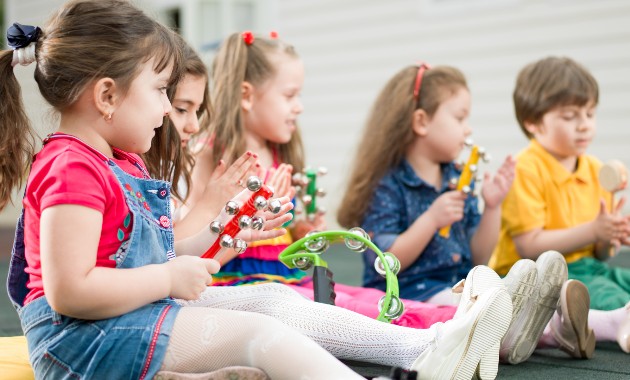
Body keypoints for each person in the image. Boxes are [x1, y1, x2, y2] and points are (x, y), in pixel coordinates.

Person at [0, 4, 513, 378]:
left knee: (270, 300)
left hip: (126, 319)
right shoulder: (71, 167)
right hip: (82, 344)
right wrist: (168, 277)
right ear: (107, 95)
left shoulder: (118, 161)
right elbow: (72, 292)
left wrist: (225, 235)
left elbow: (155, 256)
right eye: (160, 91)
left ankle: (428, 347)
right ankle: (424, 356)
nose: (166, 110)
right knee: (258, 337)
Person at [184, 31, 458, 329]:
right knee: (353, 309)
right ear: (247, 96)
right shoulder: (213, 152)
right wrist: (243, 218)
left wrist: (299, 231)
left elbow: (278, 236)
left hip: (287, 276)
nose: (299, 106)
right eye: (289, 96)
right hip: (243, 285)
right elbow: (194, 234)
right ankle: (448, 326)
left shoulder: (275, 151)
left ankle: (463, 317)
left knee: (366, 296)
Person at [337, 63, 591, 365]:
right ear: (421, 122)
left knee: (485, 296)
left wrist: (493, 205)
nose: (467, 128)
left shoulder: (459, 179)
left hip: (463, 284)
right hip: (410, 294)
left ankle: (594, 324)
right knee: (477, 302)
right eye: (460, 118)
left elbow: (479, 255)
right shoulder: (387, 185)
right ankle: (543, 329)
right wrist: (430, 220)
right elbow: (386, 263)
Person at [488, 56, 630, 354]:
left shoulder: (594, 169)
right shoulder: (525, 169)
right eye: (569, 117)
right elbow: (529, 246)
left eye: (590, 114)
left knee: (620, 279)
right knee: (610, 296)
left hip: (588, 267)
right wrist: (593, 230)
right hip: (535, 275)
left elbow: (601, 255)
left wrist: (608, 237)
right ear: (533, 123)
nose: (584, 126)